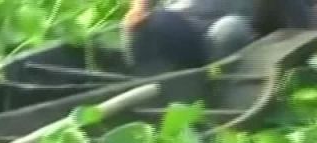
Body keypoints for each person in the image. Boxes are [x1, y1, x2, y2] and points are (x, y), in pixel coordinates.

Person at [122, 0, 314, 73]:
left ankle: (222, 91)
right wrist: (139, 8)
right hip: (184, 23)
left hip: (233, 34)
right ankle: (154, 86)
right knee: (141, 27)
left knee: (229, 30)